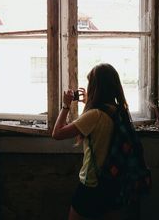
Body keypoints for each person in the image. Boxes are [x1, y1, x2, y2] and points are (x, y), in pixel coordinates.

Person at [52, 63, 131, 220]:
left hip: (93, 183)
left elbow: (57, 133)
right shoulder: (119, 110)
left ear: (95, 87)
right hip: (114, 180)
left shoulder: (95, 115)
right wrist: (90, 103)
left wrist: (65, 106)